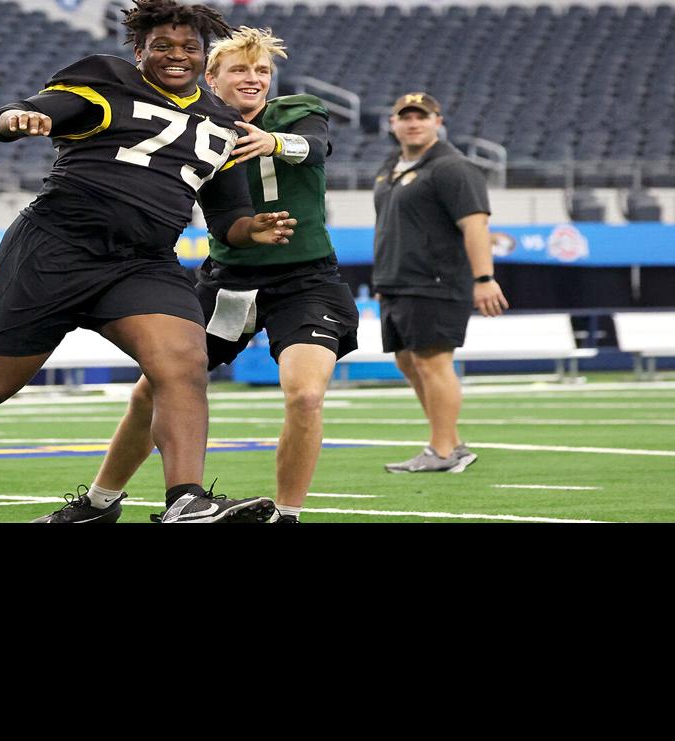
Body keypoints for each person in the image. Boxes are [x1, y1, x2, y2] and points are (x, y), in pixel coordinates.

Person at [0, 0, 296, 522]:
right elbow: (38, 109)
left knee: (184, 364)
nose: (176, 55)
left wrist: (249, 228)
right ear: (139, 50)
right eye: (161, 46)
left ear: (203, 54)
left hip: (141, 263)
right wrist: (18, 119)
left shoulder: (222, 122)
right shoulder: (106, 80)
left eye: (189, 47)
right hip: (56, 248)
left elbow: (227, 214)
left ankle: (186, 499)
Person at [32, 26, 358, 524]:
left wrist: (271, 141)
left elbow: (315, 146)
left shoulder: (298, 109)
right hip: (229, 280)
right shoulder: (194, 128)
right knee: (151, 389)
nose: (254, 79)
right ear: (211, 77)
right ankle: (98, 503)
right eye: (240, 70)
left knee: (307, 393)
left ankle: (288, 514)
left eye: (262, 70)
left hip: (304, 280)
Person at [371, 91, 508, 473]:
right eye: (406, 116)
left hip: (436, 279)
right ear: (393, 123)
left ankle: (443, 451)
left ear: (438, 122)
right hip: (398, 281)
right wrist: (385, 275)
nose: (413, 122)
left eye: (422, 116)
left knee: (433, 361)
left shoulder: (453, 167)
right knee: (408, 361)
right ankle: (451, 444)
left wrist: (484, 278)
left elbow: (475, 223)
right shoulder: (390, 166)